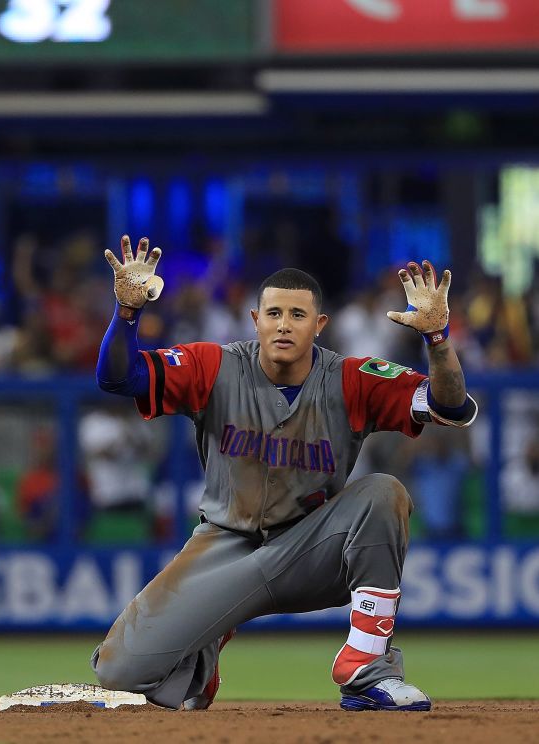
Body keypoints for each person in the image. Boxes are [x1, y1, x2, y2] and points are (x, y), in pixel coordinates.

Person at [91, 236, 477, 712]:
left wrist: (438, 338)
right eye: (273, 314)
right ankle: (205, 653)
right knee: (120, 673)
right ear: (256, 320)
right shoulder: (213, 365)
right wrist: (126, 314)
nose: (284, 325)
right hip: (225, 547)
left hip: (312, 547)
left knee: (383, 493)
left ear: (320, 325)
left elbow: (449, 405)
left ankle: (366, 671)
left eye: (298, 315)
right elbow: (118, 377)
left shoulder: (353, 377)